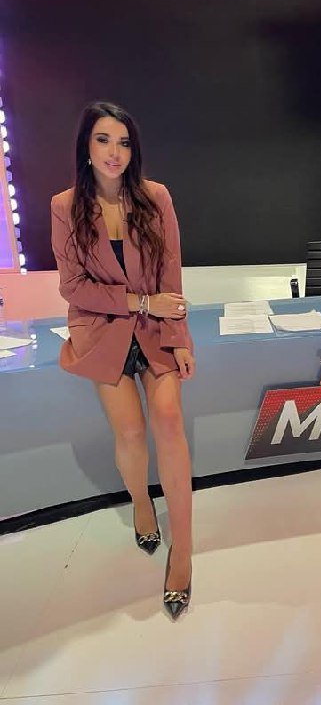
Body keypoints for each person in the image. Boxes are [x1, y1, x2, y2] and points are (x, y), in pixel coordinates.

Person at [50, 102, 196, 620]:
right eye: (103, 140)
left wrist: (178, 337)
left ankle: (183, 551)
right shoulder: (65, 206)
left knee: (169, 420)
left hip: (157, 328)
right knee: (131, 433)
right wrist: (140, 302)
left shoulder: (156, 197)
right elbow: (72, 287)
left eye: (124, 142)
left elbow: (171, 274)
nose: (115, 152)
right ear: (86, 147)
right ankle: (140, 502)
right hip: (102, 330)